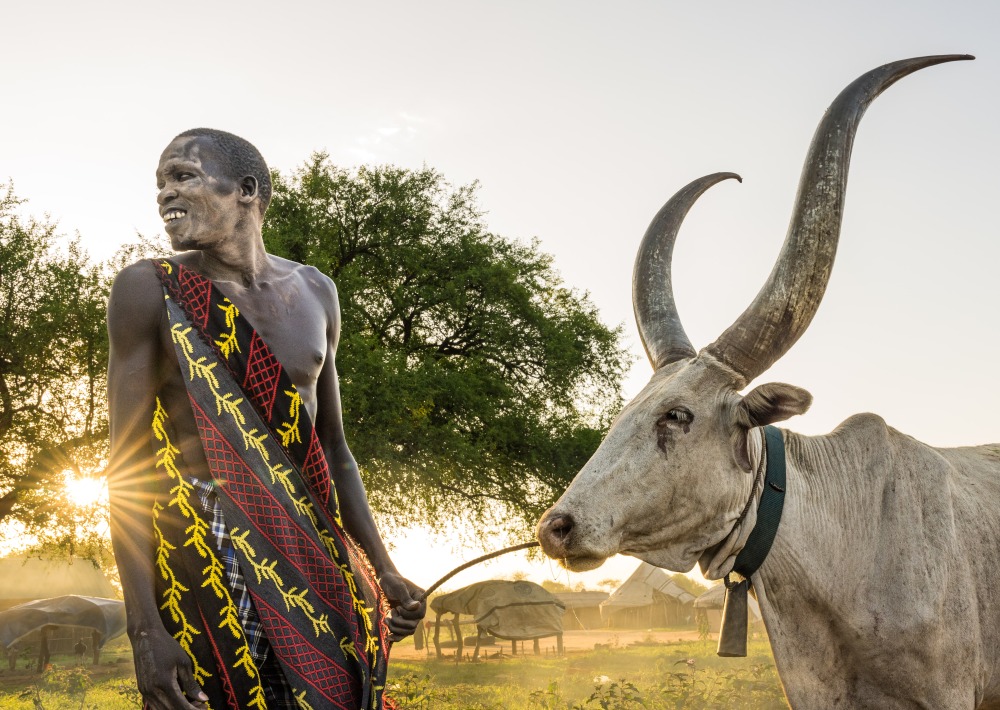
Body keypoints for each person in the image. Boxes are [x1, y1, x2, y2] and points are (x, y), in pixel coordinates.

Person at [107, 128, 426, 710]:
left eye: (183, 176)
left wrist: (383, 568)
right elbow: (122, 469)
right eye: (160, 182)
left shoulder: (315, 291)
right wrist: (145, 629)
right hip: (204, 551)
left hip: (309, 544)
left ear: (246, 190)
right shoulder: (150, 289)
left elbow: (333, 448)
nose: (164, 194)